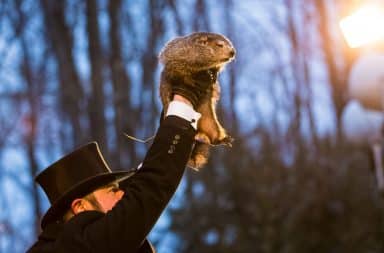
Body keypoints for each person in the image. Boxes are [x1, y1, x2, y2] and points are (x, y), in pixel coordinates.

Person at [27, 71, 213, 253]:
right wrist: (183, 103)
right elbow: (145, 195)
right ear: (80, 207)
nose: (122, 194)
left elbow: (142, 186)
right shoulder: (74, 246)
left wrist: (175, 130)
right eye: (113, 191)